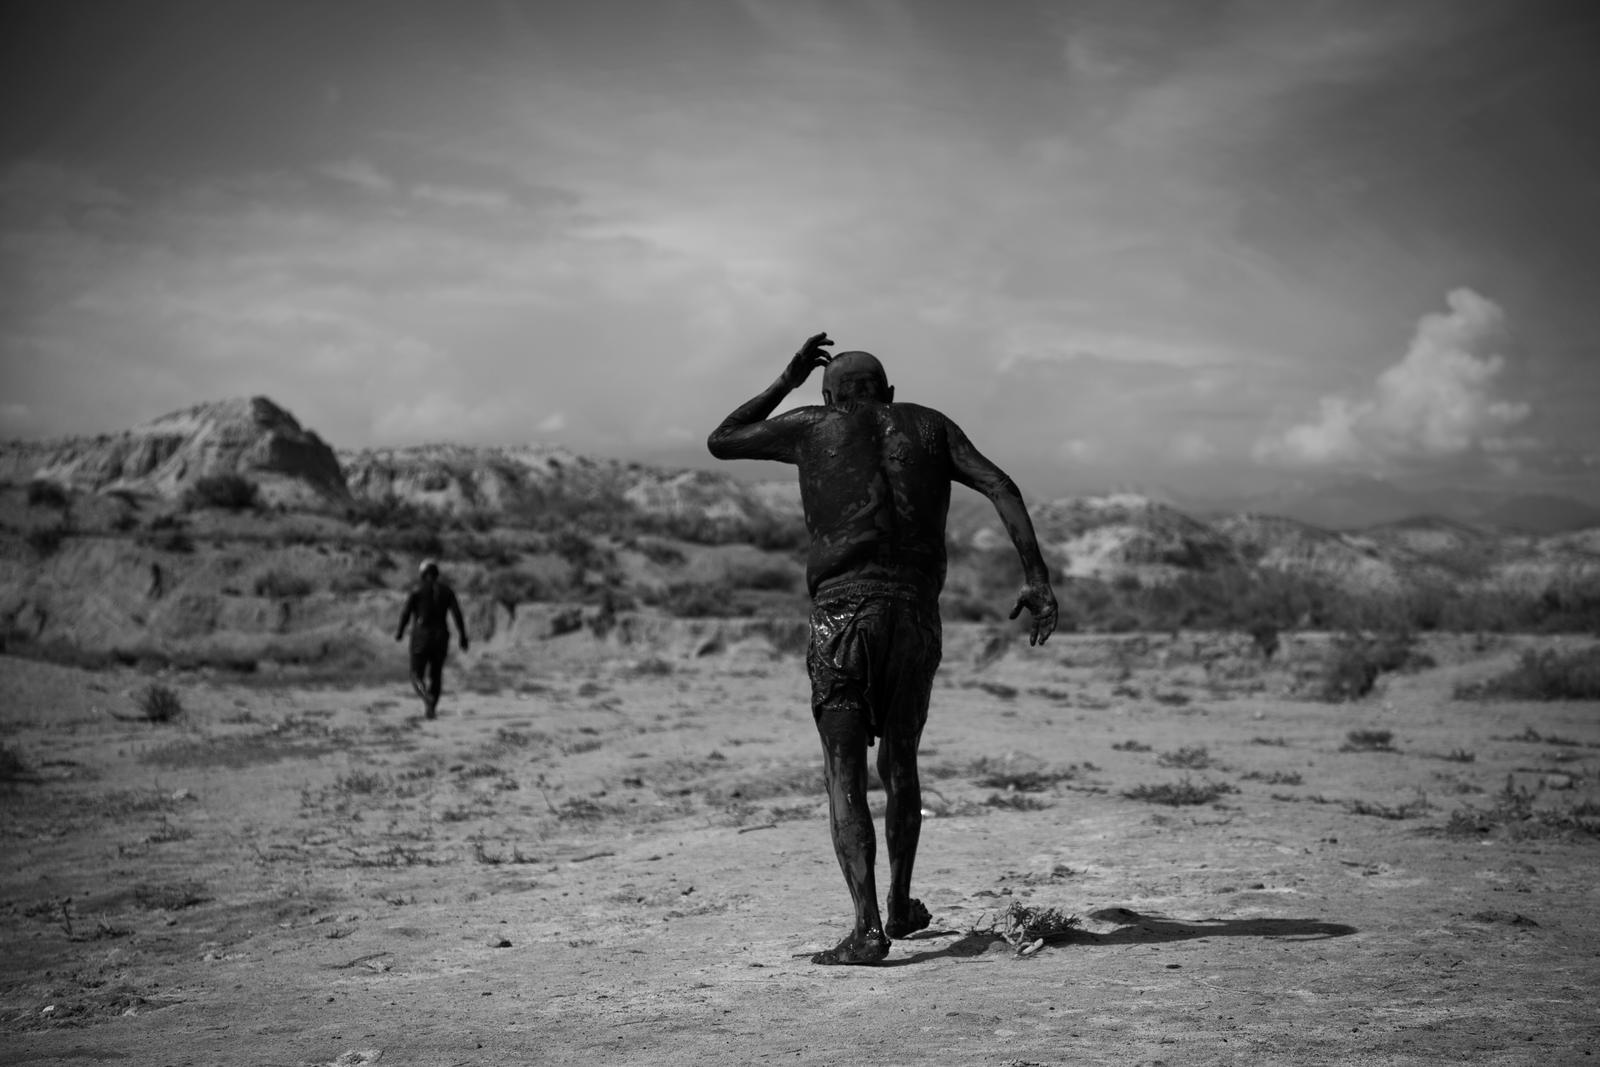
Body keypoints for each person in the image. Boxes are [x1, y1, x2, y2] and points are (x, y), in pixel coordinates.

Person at [707, 332, 1058, 965]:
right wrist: (1036, 578)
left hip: (843, 614)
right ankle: (899, 903)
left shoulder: (814, 425)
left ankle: (868, 929)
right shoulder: (928, 427)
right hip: (915, 615)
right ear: (889, 395)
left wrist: (785, 380)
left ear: (829, 397)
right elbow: (1001, 484)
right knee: (901, 763)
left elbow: (724, 439)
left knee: (844, 771)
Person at [395, 559, 469, 719]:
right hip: (441, 635)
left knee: (415, 674)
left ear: (422, 573)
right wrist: (463, 636)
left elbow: (406, 613)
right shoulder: (447, 591)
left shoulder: (416, 590)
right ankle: (432, 707)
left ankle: (426, 698)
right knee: (436, 674)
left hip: (421, 635)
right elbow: (457, 614)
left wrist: (400, 632)